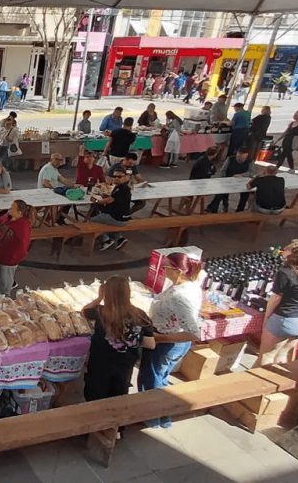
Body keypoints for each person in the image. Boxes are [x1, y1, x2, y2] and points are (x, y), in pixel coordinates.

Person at [141, 253, 203, 428]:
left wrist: (160, 338)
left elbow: (194, 332)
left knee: (152, 379)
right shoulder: (190, 286)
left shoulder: (180, 297)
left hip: (167, 342)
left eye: (166, 267)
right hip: (172, 340)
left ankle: (152, 417)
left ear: (177, 271)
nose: (163, 270)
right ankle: (164, 416)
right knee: (161, 377)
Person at [82, 276, 155, 402]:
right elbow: (150, 344)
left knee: (95, 398)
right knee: (118, 398)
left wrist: (99, 298)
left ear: (107, 293)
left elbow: (84, 311)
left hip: (99, 366)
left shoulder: (100, 311)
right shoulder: (141, 315)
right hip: (124, 367)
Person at [254, 240, 298, 367]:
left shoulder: (286, 272)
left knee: (267, 355)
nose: (283, 252)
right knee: (282, 355)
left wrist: (267, 317)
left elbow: (275, 299)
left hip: (286, 319)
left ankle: (257, 382)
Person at [0, 199, 30, 295]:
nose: (9, 209)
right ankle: (0, 291)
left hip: (8, 259)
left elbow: (22, 246)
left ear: (19, 212)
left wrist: (14, 257)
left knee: (6, 279)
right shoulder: (8, 217)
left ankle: (4, 296)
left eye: (12, 208)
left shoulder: (23, 226)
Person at [90, 169, 132, 251]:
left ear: (125, 177)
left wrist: (96, 201)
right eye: (115, 176)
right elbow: (114, 199)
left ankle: (106, 240)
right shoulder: (123, 187)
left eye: (119, 176)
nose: (116, 178)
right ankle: (119, 238)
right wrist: (104, 196)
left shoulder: (121, 188)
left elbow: (109, 201)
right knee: (104, 218)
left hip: (118, 218)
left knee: (92, 220)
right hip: (125, 217)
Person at [207, 146, 252, 213]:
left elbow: (251, 172)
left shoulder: (250, 161)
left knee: (245, 194)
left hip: (242, 181)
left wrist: (242, 175)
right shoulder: (230, 159)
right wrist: (223, 180)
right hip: (229, 179)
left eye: (243, 157)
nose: (240, 158)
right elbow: (223, 170)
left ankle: (240, 209)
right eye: (239, 156)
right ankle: (215, 207)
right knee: (221, 193)